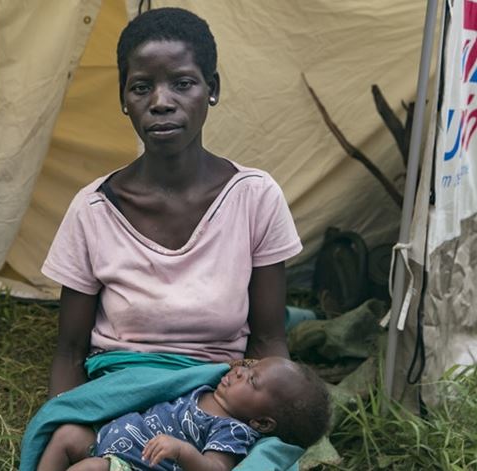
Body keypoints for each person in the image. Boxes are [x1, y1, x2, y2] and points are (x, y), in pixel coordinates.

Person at [22, 7, 307, 471]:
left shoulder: (255, 197)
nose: (161, 101)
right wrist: (72, 417)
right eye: (141, 87)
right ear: (124, 99)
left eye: (182, 82)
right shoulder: (92, 209)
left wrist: (274, 422)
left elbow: (270, 337)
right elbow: (70, 351)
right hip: (118, 392)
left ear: (211, 89)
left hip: (219, 399)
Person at [36, 357, 331, 471]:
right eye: (248, 366)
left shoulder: (234, 430)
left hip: (133, 466)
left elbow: (215, 468)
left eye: (252, 380)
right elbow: (151, 389)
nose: (239, 372)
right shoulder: (202, 386)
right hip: (107, 440)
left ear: (262, 422)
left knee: (92, 470)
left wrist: (182, 451)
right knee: (66, 433)